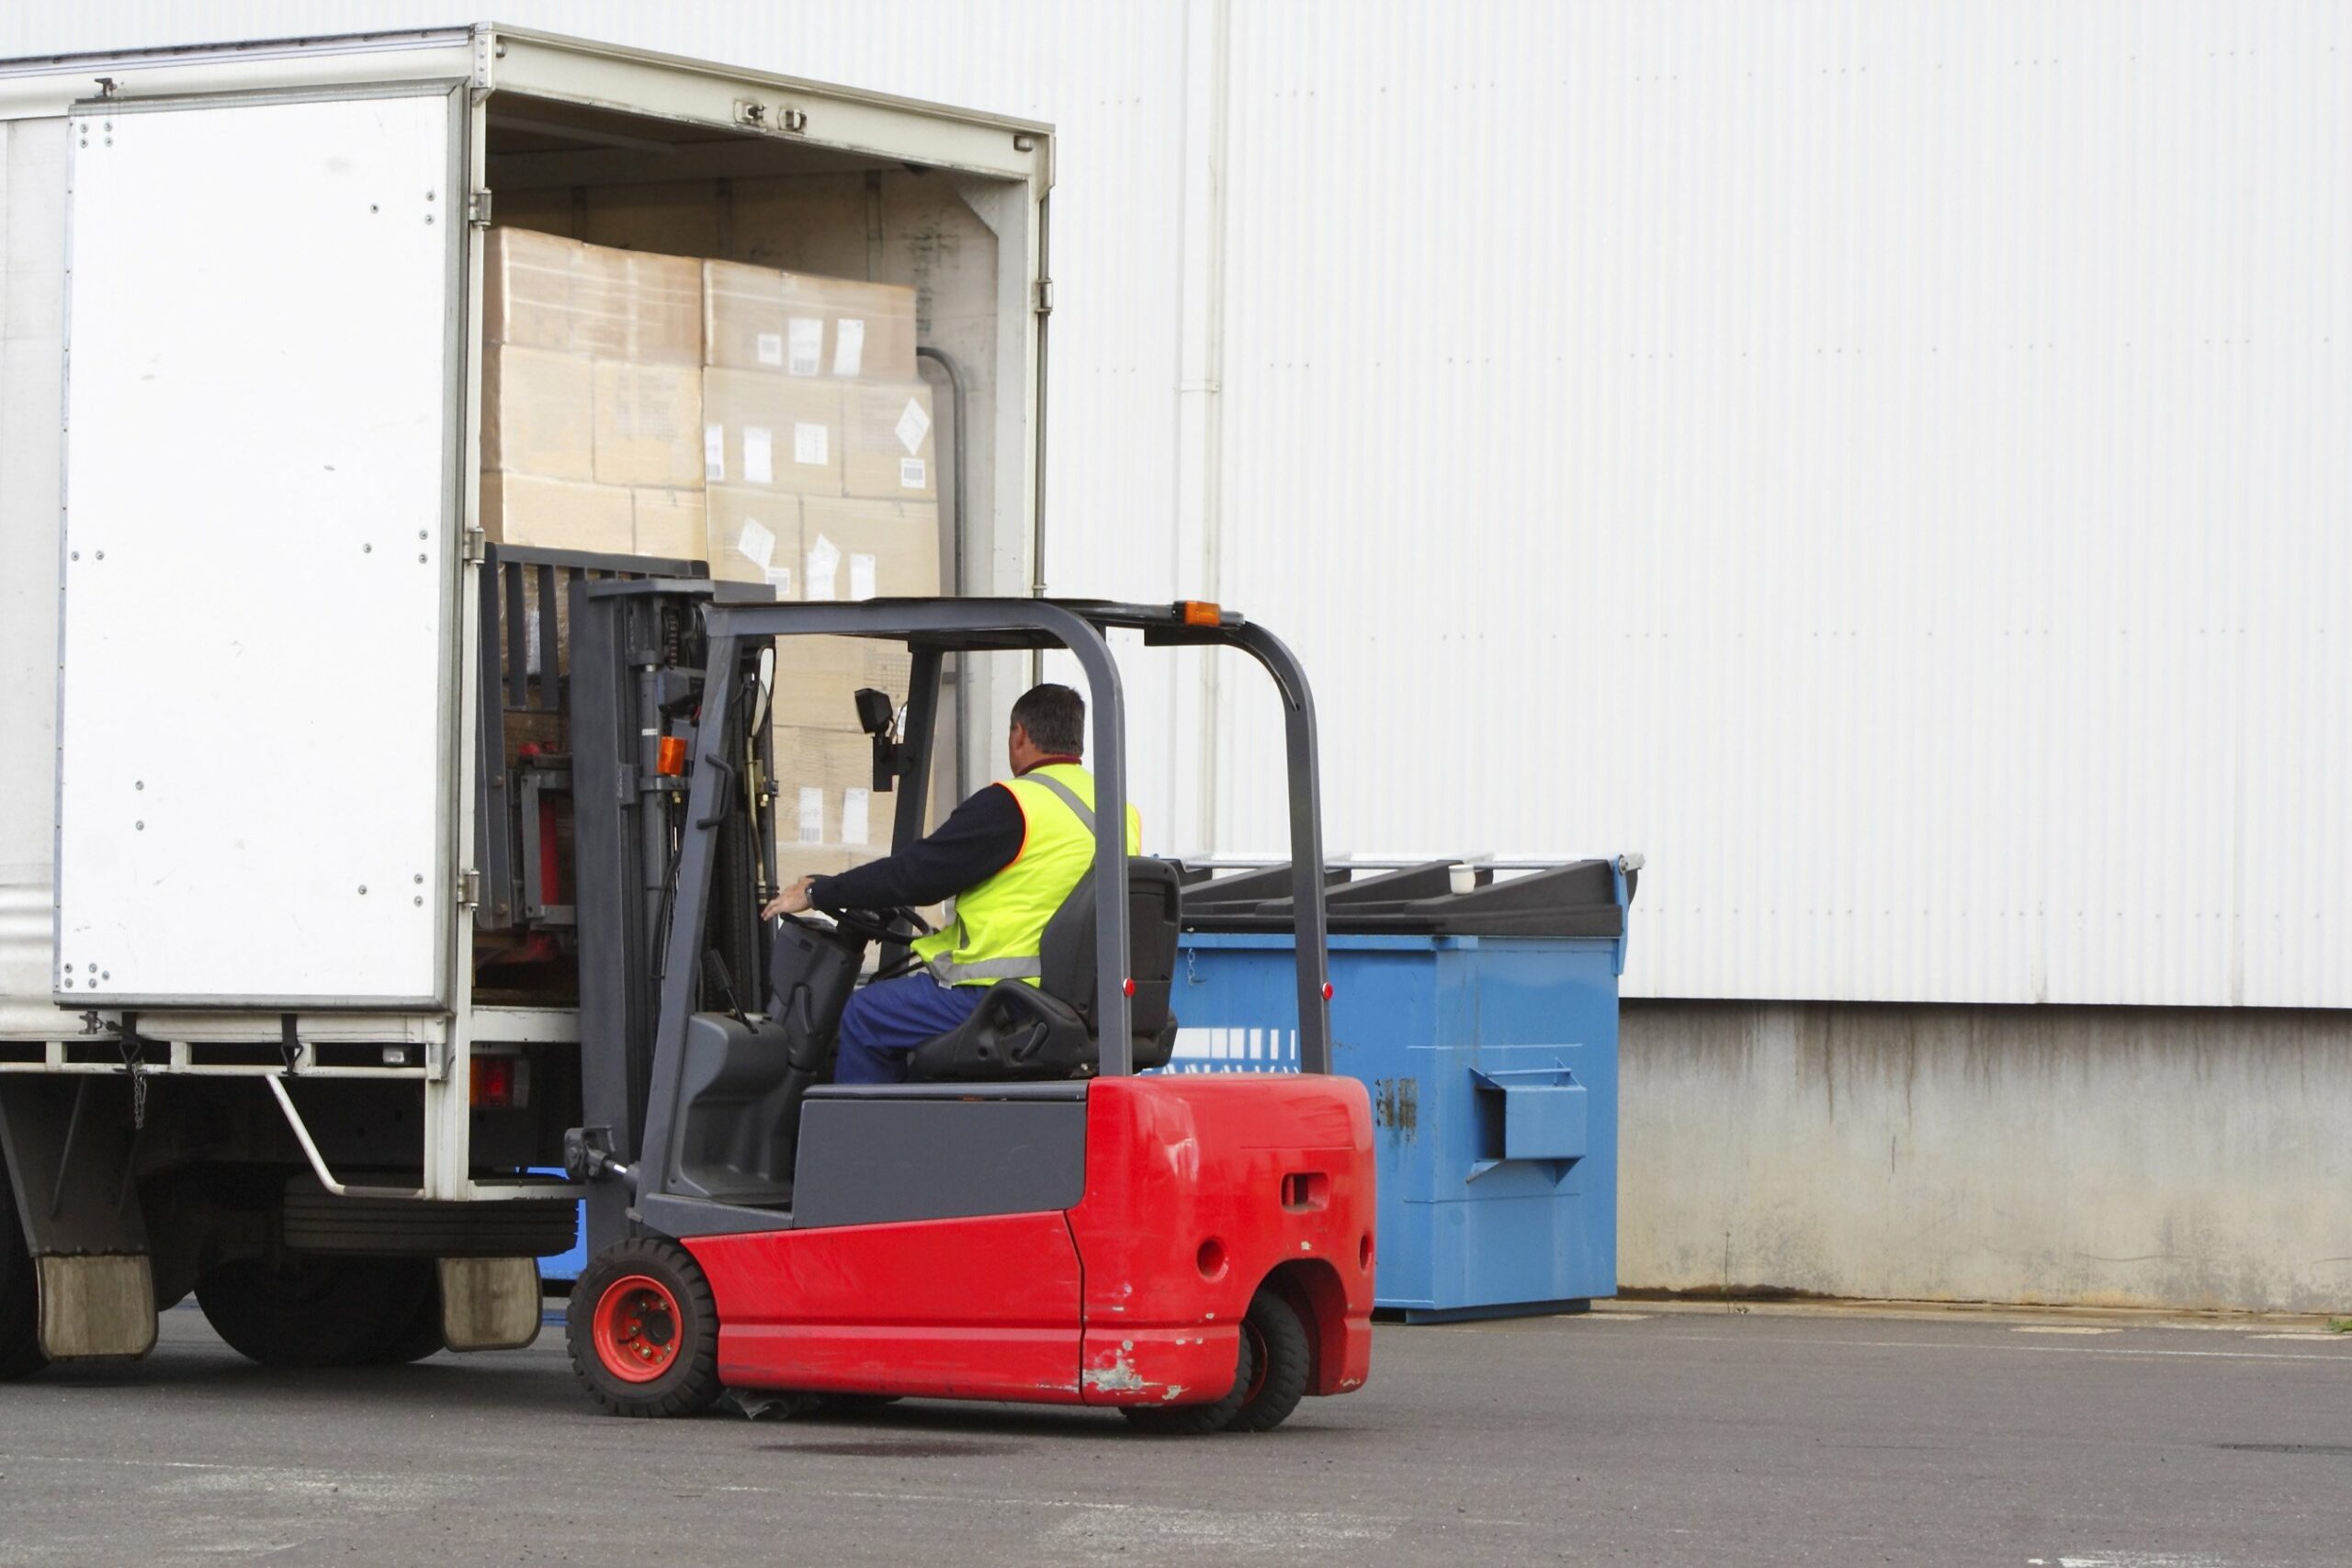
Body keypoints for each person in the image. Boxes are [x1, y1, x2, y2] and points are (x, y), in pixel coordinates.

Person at [759, 682, 1141, 1083]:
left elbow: (916, 876)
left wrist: (819, 892)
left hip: (1003, 998)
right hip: (1076, 1002)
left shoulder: (1013, 805)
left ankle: (866, 1146)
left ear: (1019, 735)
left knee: (865, 1015)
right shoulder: (1119, 810)